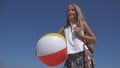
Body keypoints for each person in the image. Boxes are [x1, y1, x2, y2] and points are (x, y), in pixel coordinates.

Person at [58, 3, 97, 68]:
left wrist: (81, 35)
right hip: (69, 56)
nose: (70, 11)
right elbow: (54, 38)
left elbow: (94, 40)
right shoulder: (64, 28)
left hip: (83, 55)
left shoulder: (82, 24)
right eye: (68, 10)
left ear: (77, 12)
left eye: (73, 10)